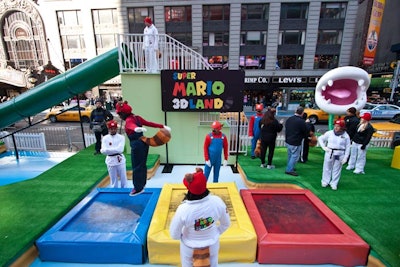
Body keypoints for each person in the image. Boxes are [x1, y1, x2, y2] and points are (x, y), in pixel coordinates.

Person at [169, 168, 230, 267]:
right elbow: (226, 224)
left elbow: (174, 234)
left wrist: (187, 235)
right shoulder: (217, 202)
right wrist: (215, 232)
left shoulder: (183, 209)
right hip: (212, 245)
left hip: (189, 248)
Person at [117, 102, 171, 196]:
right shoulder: (137, 117)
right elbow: (149, 123)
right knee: (142, 164)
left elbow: (130, 125)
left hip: (137, 145)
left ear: (123, 114)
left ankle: (138, 188)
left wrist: (135, 129)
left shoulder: (129, 120)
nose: (119, 116)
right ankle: (142, 185)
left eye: (119, 114)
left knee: (137, 166)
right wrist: (162, 126)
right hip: (144, 143)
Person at [318, 119, 350, 190]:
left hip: (340, 153)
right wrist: (324, 147)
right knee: (327, 167)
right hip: (330, 152)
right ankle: (325, 181)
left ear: (342, 127)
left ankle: (334, 183)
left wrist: (346, 157)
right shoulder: (329, 133)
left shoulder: (346, 136)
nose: (336, 127)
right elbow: (320, 138)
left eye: (338, 126)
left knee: (337, 169)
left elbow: (348, 147)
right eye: (335, 126)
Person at [100, 120, 127, 188]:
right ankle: (114, 191)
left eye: (114, 128)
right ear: (108, 129)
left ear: (116, 128)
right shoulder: (105, 138)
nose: (113, 130)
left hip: (120, 159)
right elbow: (103, 151)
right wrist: (114, 150)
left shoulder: (121, 137)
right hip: (110, 160)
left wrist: (108, 150)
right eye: (111, 129)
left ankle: (124, 190)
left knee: (123, 178)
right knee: (113, 179)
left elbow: (120, 149)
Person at [284, 106, 308, 176]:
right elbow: (305, 131)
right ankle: (289, 169)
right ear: (302, 113)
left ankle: (290, 167)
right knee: (294, 156)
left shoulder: (289, 119)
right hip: (296, 141)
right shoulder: (301, 121)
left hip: (288, 140)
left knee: (290, 155)